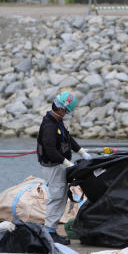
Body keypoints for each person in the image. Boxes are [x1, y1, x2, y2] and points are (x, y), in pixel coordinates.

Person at [36, 91, 91, 245]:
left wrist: (81, 151)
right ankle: (48, 232)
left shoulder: (57, 122)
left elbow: (68, 139)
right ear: (60, 108)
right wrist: (67, 163)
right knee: (56, 197)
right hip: (53, 167)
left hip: (59, 166)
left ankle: (52, 230)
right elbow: (50, 150)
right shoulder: (49, 125)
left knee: (61, 196)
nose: (66, 114)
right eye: (66, 111)